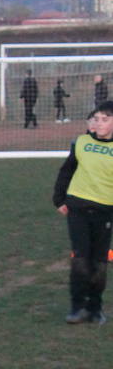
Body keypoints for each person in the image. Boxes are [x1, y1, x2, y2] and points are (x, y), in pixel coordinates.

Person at [51, 101, 113, 324]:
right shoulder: (81, 143)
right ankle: (77, 307)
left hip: (105, 212)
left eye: (105, 119)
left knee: (99, 263)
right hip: (77, 208)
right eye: (96, 118)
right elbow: (66, 171)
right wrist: (59, 199)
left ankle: (95, 308)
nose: (98, 123)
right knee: (80, 259)